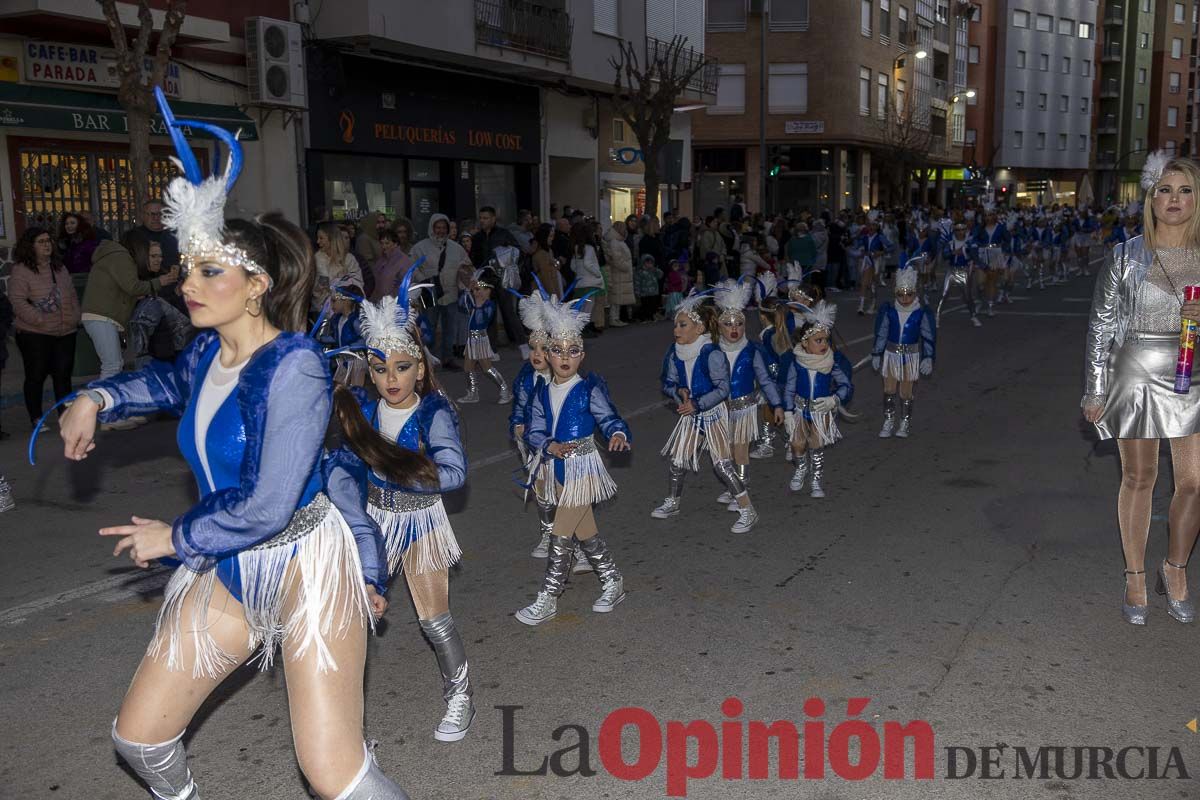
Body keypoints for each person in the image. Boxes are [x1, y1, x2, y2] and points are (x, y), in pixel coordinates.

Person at [56, 89, 411, 799]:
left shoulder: (295, 366)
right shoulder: (206, 354)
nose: (187, 283)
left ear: (258, 286)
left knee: (331, 770)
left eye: (208, 271)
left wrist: (176, 535)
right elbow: (159, 385)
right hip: (230, 565)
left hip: (306, 562)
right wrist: (94, 396)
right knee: (141, 737)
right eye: (187, 269)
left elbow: (273, 501)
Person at [340, 276, 474, 741]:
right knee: (352, 620)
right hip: (371, 523)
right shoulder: (360, 407)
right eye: (380, 368)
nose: (390, 378)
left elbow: (455, 474)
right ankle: (345, 727)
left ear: (419, 368)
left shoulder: (434, 412)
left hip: (419, 525)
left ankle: (460, 695)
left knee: (433, 620)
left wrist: (400, 469)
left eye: (400, 367)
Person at [1083, 152, 1200, 626]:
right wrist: (1094, 389)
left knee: (1194, 482)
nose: (1174, 199)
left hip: (1193, 374)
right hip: (1134, 373)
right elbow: (1101, 324)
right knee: (1139, 478)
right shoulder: (1126, 255)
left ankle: (1174, 568)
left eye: (1185, 190)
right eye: (1165, 190)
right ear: (1151, 199)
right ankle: (1134, 576)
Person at [515, 292, 631, 625]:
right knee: (585, 532)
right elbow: (534, 429)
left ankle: (548, 596)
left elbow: (609, 418)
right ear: (548, 355)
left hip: (583, 467)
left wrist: (618, 434)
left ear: (582, 355)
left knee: (560, 533)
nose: (565, 358)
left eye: (573, 351)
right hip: (556, 467)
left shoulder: (589, 388)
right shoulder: (541, 390)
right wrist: (547, 444)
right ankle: (612, 580)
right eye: (558, 351)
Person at [651, 291, 759, 534]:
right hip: (691, 415)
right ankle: (673, 502)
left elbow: (723, 388)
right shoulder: (675, 352)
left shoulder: (712, 353)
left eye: (682, 325)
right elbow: (667, 382)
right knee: (678, 462)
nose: (676, 330)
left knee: (722, 465)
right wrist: (678, 392)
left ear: (699, 329)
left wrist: (698, 403)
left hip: (712, 414)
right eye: (676, 325)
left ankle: (747, 510)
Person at [712, 279, 782, 511]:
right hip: (720, 408)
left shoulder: (752, 350)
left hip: (743, 408)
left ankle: (741, 488)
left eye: (739, 324)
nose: (735, 329)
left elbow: (765, 380)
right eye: (729, 324)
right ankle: (733, 485)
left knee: (740, 449)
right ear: (719, 327)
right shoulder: (712, 351)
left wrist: (777, 404)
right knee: (726, 450)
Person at [82, 230, 179, 381]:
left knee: (114, 364)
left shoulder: (116, 256)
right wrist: (160, 282)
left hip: (101, 316)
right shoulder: (121, 256)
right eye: (150, 253)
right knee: (112, 366)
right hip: (101, 316)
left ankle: (107, 400)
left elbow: (124, 289)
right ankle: (104, 402)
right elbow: (132, 287)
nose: (156, 259)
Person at [8, 226, 80, 427]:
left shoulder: (60, 267)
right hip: (35, 334)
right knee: (36, 376)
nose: (47, 244)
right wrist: (39, 319)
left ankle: (65, 417)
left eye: (49, 240)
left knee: (63, 376)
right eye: (41, 241)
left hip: (66, 330)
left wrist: (74, 316)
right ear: (30, 246)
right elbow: (17, 301)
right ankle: (36, 417)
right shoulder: (22, 270)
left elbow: (72, 294)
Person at [782, 301, 853, 498]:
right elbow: (789, 389)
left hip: (822, 410)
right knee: (797, 444)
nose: (824, 345)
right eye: (818, 341)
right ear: (805, 342)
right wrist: (788, 412)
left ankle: (816, 480)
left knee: (816, 444)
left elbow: (846, 385)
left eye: (826, 340)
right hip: (799, 409)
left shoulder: (832, 362)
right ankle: (801, 468)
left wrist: (835, 400)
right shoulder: (797, 363)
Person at [871, 264, 936, 439]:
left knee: (906, 392)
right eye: (900, 294)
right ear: (895, 294)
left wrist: (928, 357)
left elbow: (928, 337)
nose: (905, 298)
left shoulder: (920, 314)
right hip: (891, 356)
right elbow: (882, 333)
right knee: (889, 389)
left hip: (911, 357)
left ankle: (905, 421)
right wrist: (877, 353)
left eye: (909, 294)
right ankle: (889, 420)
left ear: (915, 293)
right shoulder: (890, 311)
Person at [411, 213, 470, 370]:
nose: (441, 230)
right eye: (438, 227)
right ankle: (427, 359)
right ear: (432, 227)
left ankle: (447, 359)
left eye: (444, 227)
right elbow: (412, 266)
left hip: (450, 292)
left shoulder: (457, 249)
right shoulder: (419, 248)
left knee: (450, 327)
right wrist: (423, 279)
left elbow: (466, 267)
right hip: (429, 293)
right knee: (428, 327)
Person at [470, 207, 525, 352]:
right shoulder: (477, 238)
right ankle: (492, 349)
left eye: (486, 218)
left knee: (509, 311)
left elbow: (518, 253)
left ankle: (523, 344)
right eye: (481, 218)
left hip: (502, 278)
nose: (483, 221)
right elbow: (473, 258)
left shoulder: (504, 234)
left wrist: (510, 267)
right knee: (489, 313)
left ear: (494, 218)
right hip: (485, 278)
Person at [457, 270, 511, 403]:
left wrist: (478, 304)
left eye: (480, 290)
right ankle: (473, 393)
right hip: (471, 339)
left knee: (486, 368)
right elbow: (461, 305)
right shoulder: (473, 303)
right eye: (476, 290)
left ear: (489, 291)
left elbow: (482, 321)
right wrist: (467, 292)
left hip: (480, 339)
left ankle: (505, 390)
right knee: (468, 367)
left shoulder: (489, 305)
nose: (477, 292)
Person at [568, 222, 606, 336]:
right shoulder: (589, 248)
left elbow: (573, 265)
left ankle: (581, 328)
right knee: (588, 307)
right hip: (591, 281)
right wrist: (598, 273)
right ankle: (585, 328)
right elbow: (588, 264)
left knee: (583, 306)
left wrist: (579, 273)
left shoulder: (577, 248)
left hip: (581, 281)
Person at [315, 222, 364, 311]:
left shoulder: (349, 259)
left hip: (346, 312)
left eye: (321, 238)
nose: (318, 242)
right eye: (317, 238)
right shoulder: (316, 260)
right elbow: (314, 288)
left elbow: (357, 285)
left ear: (332, 239)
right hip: (322, 312)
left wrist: (338, 292)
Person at [602, 223, 633, 327]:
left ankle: (616, 318)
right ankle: (613, 319)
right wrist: (626, 267)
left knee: (617, 298)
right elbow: (616, 259)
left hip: (620, 273)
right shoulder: (615, 242)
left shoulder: (619, 240)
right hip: (618, 273)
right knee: (615, 298)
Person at [531, 224, 562, 297]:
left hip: (551, 289)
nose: (552, 238)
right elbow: (546, 277)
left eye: (553, 236)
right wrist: (553, 296)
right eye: (550, 236)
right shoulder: (541, 253)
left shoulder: (548, 251)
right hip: (545, 292)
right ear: (544, 236)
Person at [634, 254, 664, 322]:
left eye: (651, 263)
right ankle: (644, 317)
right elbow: (637, 282)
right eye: (647, 263)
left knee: (652, 305)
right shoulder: (640, 272)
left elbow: (661, 275)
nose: (649, 264)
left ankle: (651, 316)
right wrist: (637, 291)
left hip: (653, 292)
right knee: (645, 306)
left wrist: (655, 269)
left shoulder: (653, 271)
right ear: (643, 263)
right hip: (644, 293)